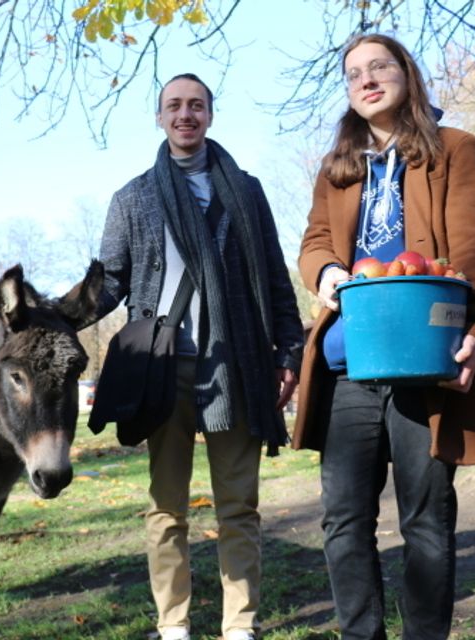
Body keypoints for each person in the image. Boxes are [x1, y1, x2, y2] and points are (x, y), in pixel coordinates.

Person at [292, 34, 475, 640]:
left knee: (426, 520)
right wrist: (328, 272)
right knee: (343, 520)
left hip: (423, 357)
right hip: (346, 365)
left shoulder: (456, 150)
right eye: (354, 73)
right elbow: (314, 243)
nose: (366, 79)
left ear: (406, 75)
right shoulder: (336, 170)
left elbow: (473, 245)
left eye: (379, 66)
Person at [92, 73, 305, 640]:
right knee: (168, 510)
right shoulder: (133, 197)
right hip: (164, 371)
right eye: (174, 107)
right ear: (159, 118)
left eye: (196, 106)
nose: (185, 115)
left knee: (238, 506)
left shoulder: (247, 190)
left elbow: (276, 281)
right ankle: (174, 625)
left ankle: (240, 625)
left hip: (237, 366)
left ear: (210, 115)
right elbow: (108, 282)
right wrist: (49, 314)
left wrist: (290, 350)